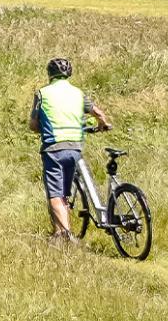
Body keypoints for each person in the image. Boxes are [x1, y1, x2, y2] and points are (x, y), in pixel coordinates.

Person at [32, 57, 112, 242]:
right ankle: (59, 232)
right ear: (69, 74)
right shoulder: (78, 93)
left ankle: (65, 235)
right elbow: (98, 113)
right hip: (75, 148)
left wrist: (42, 127)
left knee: (55, 194)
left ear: (50, 74)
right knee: (65, 194)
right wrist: (103, 124)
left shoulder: (42, 93)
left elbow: (33, 124)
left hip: (53, 148)